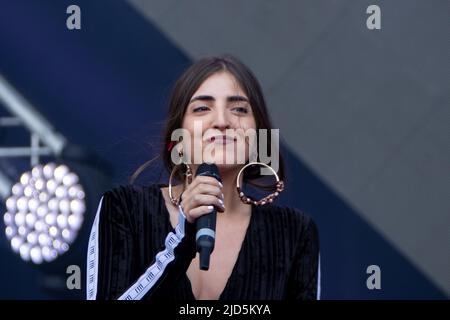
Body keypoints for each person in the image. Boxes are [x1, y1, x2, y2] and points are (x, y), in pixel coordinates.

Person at [86, 55, 320, 300]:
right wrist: (180, 240)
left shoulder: (294, 232)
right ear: (178, 137)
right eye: (201, 108)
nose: (221, 121)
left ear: (259, 134)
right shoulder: (124, 207)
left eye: (239, 109)